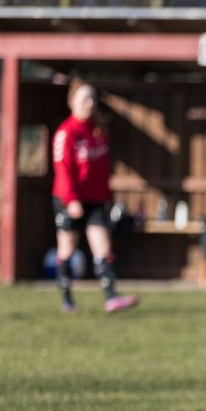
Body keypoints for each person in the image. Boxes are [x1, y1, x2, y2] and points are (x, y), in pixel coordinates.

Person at [51, 81, 138, 314]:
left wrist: (106, 197)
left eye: (91, 99)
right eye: (83, 99)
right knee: (67, 249)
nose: (89, 104)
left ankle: (111, 298)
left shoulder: (99, 131)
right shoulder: (66, 133)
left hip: (96, 200)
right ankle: (67, 299)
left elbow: (101, 170)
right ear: (72, 102)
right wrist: (71, 200)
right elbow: (63, 169)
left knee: (103, 247)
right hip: (70, 200)